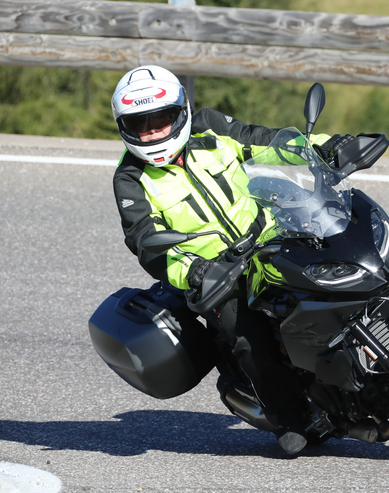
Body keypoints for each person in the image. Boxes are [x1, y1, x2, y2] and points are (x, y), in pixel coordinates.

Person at [111, 65, 351, 455]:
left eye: (161, 118)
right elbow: (147, 243)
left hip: (274, 235)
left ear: (181, 113)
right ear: (125, 127)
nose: (153, 130)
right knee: (245, 336)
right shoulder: (130, 179)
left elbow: (265, 143)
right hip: (220, 274)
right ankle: (292, 417)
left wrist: (327, 147)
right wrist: (197, 271)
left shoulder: (208, 127)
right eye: (141, 124)